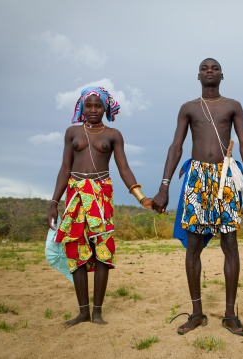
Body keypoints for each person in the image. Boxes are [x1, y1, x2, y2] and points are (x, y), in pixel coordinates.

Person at [152, 58, 243, 336]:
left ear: (222, 76)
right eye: (204, 68)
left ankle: (229, 315)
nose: (209, 71)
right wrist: (164, 186)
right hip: (197, 177)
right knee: (193, 245)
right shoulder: (188, 108)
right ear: (198, 76)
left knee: (230, 243)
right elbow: (176, 146)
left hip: (225, 175)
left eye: (214, 68)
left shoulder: (233, 106)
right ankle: (197, 313)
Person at [47, 86, 152, 328]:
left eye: (98, 106)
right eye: (89, 106)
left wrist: (141, 197)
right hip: (75, 195)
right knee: (76, 252)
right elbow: (65, 168)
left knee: (103, 253)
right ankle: (83, 312)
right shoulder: (72, 132)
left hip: (100, 196)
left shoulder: (113, 134)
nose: (93, 110)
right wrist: (54, 203)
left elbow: (123, 168)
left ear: (105, 107)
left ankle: (97, 312)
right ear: (82, 107)